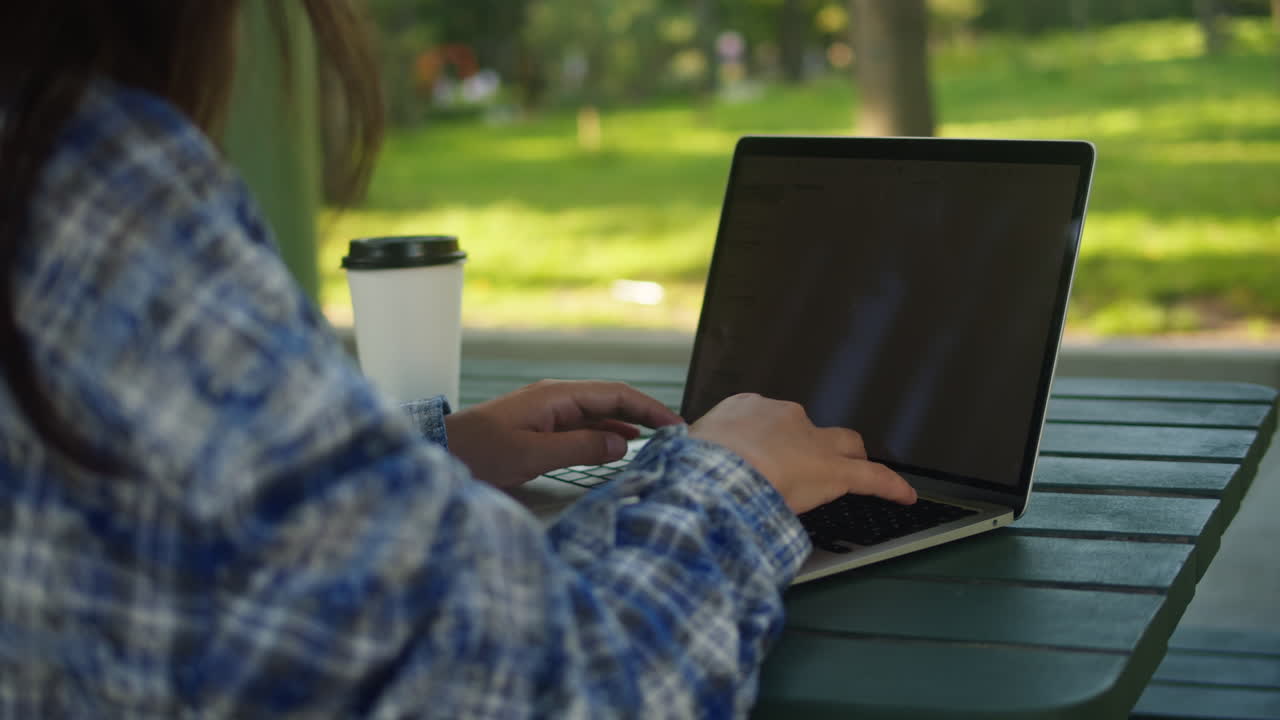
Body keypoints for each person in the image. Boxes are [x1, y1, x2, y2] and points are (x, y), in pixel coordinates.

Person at [0, 2, 915, 717]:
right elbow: (548, 692)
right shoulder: (84, 187)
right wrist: (734, 483)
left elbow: (126, 510)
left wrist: (412, 462)